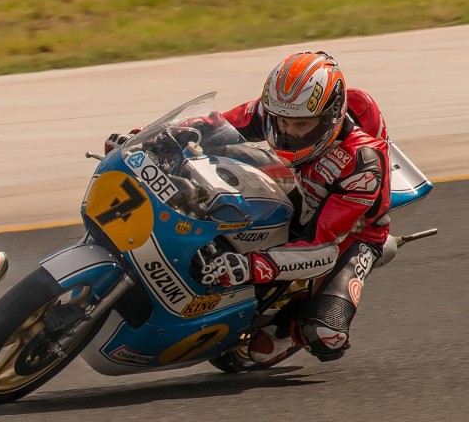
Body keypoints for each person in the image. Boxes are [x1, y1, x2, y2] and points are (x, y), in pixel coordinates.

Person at [109, 51, 391, 365]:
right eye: (280, 121)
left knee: (326, 335)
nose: (287, 132)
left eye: (301, 125)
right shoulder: (273, 112)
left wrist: (250, 266)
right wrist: (150, 141)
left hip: (348, 235)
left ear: (331, 116)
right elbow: (213, 125)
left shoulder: (362, 163)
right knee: (210, 174)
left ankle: (294, 315)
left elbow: (320, 248)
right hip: (294, 187)